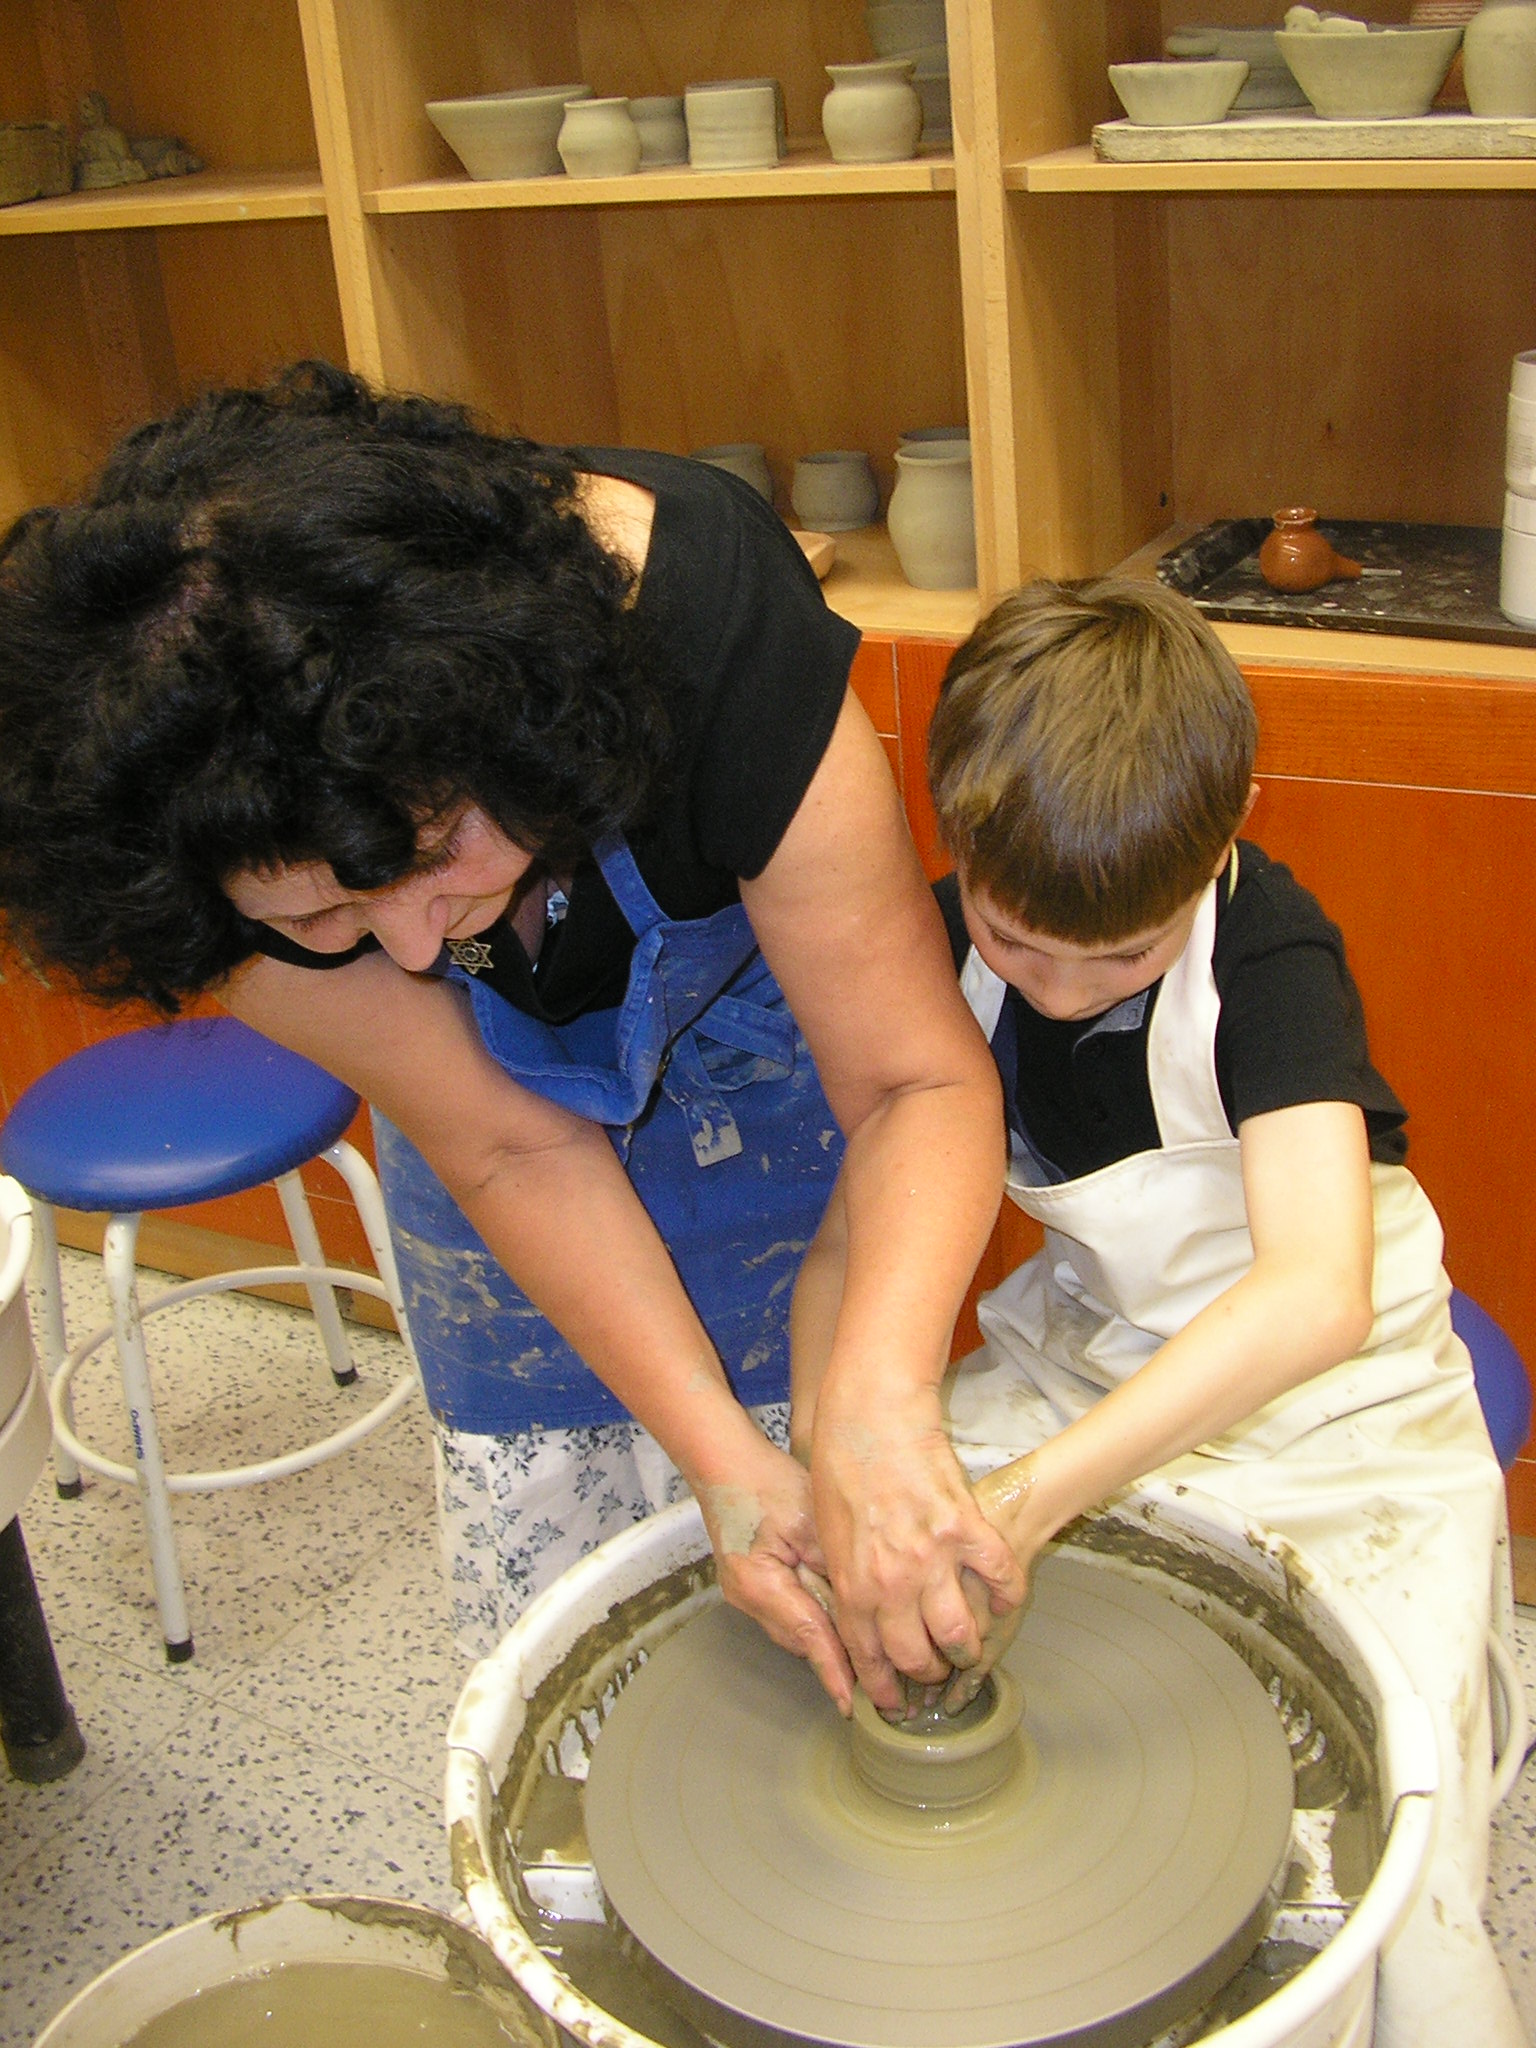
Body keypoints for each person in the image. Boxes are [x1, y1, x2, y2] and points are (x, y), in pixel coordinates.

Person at [0, 361, 1021, 1713]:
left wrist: (879, 1408)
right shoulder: (165, 821)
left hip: (784, 1070)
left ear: (512, 733)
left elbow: (908, 1082)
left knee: (862, 1487)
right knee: (602, 1648)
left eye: (433, 856)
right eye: (320, 915)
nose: (416, 951)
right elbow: (506, 1147)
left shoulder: (706, 620)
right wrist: (724, 1467)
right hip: (507, 1175)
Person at [822, 573, 1517, 2045]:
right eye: (1017, 944)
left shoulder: (1267, 948)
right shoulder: (934, 943)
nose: (1062, 993)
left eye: (1123, 959)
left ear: (1227, 832)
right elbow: (847, 1250)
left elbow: (1314, 1294)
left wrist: (1029, 1503)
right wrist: (842, 1458)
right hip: (1092, 1347)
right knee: (907, 1593)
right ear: (954, 837)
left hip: (1344, 1391)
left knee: (1388, 1790)